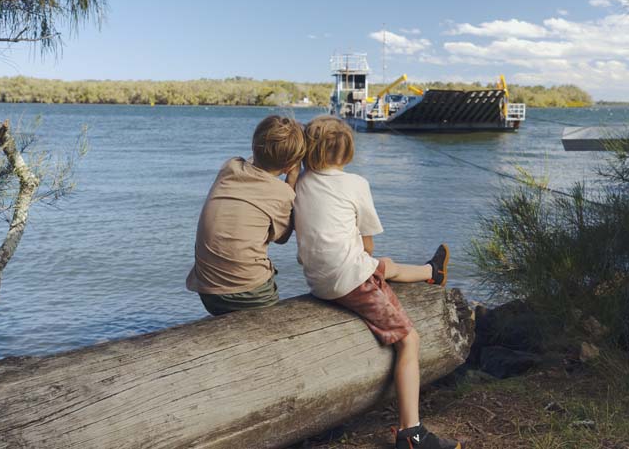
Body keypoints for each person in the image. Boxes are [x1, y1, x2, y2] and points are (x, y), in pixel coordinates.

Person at [293, 115, 460, 449]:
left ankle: (432, 271)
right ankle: (411, 433)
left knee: (384, 267)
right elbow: (367, 245)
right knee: (409, 340)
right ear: (348, 152)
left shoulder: (299, 182)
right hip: (350, 280)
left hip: (319, 280)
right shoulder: (355, 184)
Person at [186, 115, 305, 315]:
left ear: (253, 147)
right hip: (250, 294)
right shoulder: (281, 192)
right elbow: (282, 238)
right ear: (289, 165)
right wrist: (292, 180)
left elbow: (255, 167)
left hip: (207, 290)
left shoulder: (229, 167)